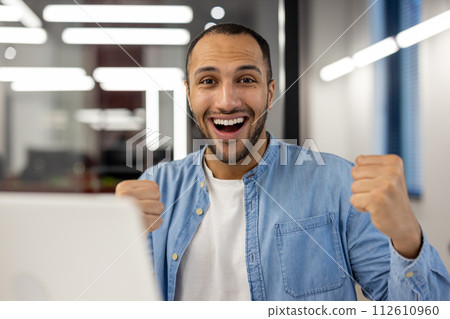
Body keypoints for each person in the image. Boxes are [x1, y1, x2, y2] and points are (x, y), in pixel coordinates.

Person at [116, 23, 450, 301]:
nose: (227, 100)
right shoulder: (156, 188)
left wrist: (407, 237)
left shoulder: (337, 184)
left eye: (246, 80)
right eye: (208, 81)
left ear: (270, 92)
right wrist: (108, 238)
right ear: (188, 94)